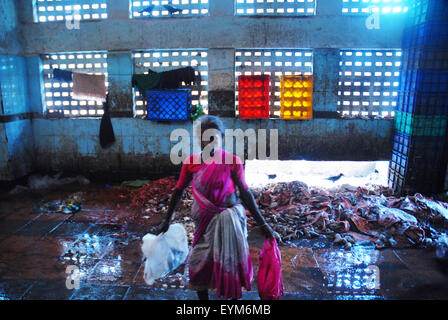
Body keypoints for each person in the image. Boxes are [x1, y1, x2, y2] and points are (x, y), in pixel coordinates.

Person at [159, 115, 275, 300]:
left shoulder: (232, 161)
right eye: (205, 137)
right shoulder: (191, 162)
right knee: (199, 262)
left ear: (222, 137)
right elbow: (178, 191)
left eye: (214, 137)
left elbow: (245, 193)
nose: (209, 141)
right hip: (204, 223)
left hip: (230, 220)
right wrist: (166, 220)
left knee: (231, 263)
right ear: (199, 139)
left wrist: (264, 225)